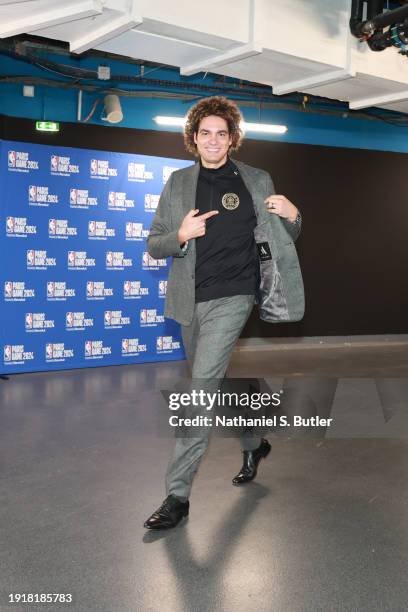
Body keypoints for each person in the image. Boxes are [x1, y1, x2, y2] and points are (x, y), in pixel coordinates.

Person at [144, 96, 304, 529]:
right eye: (204, 133)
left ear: (232, 139)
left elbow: (281, 233)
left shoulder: (256, 179)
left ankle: (177, 496)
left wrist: (294, 217)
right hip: (188, 299)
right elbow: (154, 242)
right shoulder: (178, 183)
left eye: (221, 133)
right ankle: (254, 442)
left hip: (235, 296)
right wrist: (180, 234)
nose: (212, 140)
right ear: (193, 139)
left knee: (198, 394)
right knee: (213, 383)